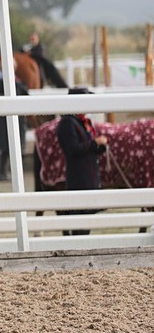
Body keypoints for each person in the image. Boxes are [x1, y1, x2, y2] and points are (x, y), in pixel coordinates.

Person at [56, 87, 107, 235]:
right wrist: (94, 143)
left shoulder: (78, 122)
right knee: (80, 221)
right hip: (79, 178)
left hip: (86, 177)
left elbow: (85, 148)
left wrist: (99, 146)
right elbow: (73, 148)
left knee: (85, 220)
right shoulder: (68, 123)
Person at [0, 69, 29, 182]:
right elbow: (25, 97)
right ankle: (2, 172)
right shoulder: (16, 84)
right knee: (6, 147)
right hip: (7, 120)